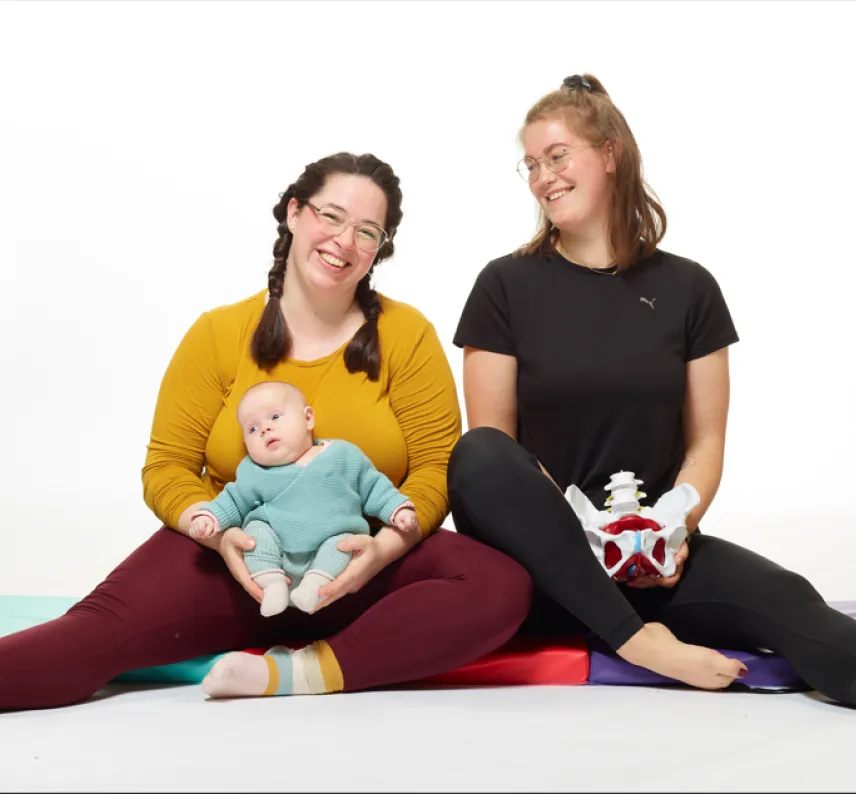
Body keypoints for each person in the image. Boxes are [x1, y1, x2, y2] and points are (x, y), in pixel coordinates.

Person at [0, 151, 532, 710]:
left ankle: (304, 671)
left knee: (500, 584)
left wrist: (382, 549)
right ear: (294, 213)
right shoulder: (218, 333)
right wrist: (216, 536)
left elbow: (434, 469)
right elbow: (167, 468)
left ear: (380, 248)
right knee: (89, 635)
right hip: (235, 560)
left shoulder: (408, 335)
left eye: (367, 231)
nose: (344, 241)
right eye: (330, 216)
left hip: (360, 565)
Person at [447, 74, 856, 705]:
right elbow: (498, 453)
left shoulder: (690, 289)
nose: (542, 177)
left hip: (647, 560)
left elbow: (707, 442)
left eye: (558, 156)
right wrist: (585, 539)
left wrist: (672, 528)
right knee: (477, 451)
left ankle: (632, 614)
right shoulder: (504, 284)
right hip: (540, 571)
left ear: (609, 154)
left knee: (796, 604)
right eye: (530, 164)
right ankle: (637, 642)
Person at [189, 380, 418, 616]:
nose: (264, 429)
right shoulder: (254, 471)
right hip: (276, 551)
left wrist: (398, 509)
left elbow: (373, 487)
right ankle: (271, 584)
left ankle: (314, 586)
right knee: (255, 534)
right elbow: (234, 500)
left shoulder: (341, 454)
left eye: (275, 417)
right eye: (252, 429)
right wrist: (209, 518)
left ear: (308, 418)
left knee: (345, 543)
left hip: (331, 545)